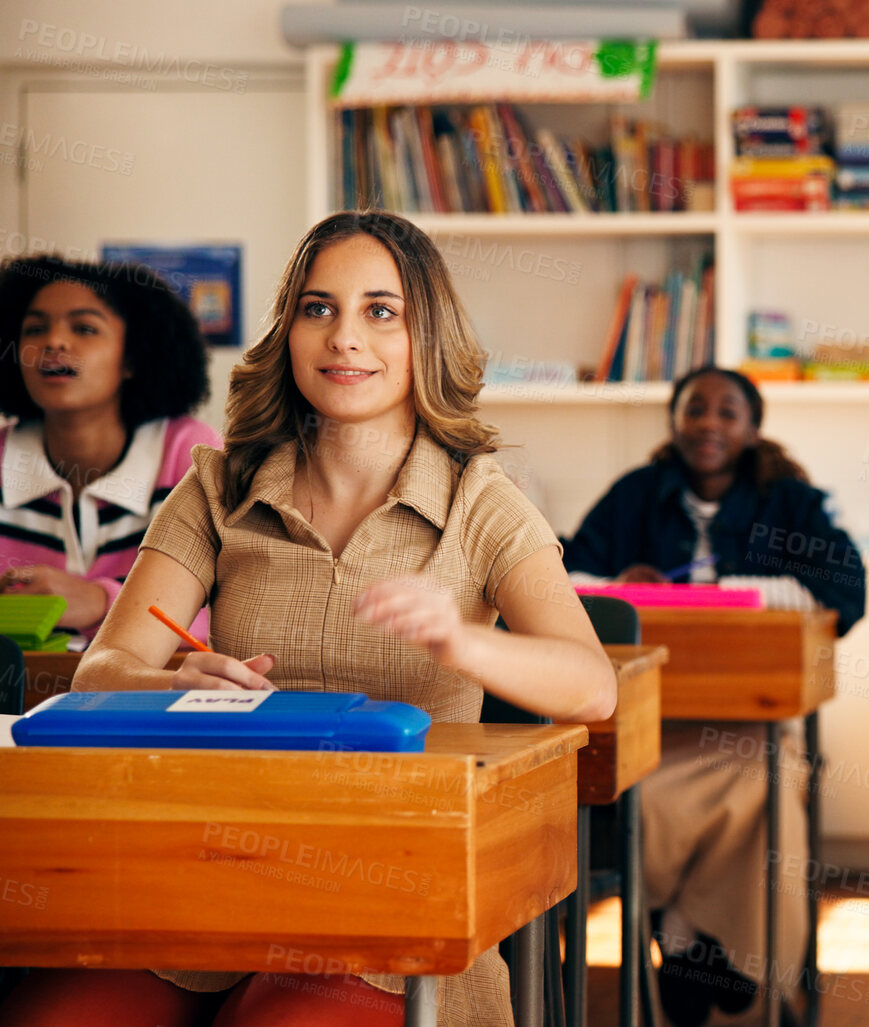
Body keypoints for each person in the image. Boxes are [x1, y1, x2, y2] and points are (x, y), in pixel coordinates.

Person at [0, 211, 615, 1027]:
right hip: (210, 882)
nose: (343, 338)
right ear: (288, 331)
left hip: (391, 901)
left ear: (423, 336)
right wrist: (171, 677)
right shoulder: (216, 486)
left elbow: (592, 687)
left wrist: (463, 639)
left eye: (380, 311)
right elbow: (100, 671)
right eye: (317, 308)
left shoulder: (482, 501)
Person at [563, 365, 864, 1027]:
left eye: (728, 412)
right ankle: (712, 946)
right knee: (771, 781)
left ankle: (680, 933)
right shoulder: (636, 493)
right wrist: (618, 581)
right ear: (675, 419)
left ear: (752, 429)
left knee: (773, 769)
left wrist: (740, 591)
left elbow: (846, 593)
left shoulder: (790, 501)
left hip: (745, 715)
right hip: (645, 718)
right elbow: (559, 579)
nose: (708, 423)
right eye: (694, 407)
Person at [0, 255, 219, 641]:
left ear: (133, 358)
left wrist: (98, 601)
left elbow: (221, 610)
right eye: (35, 329)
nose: (52, 341)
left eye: (84, 328)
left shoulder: (188, 452)